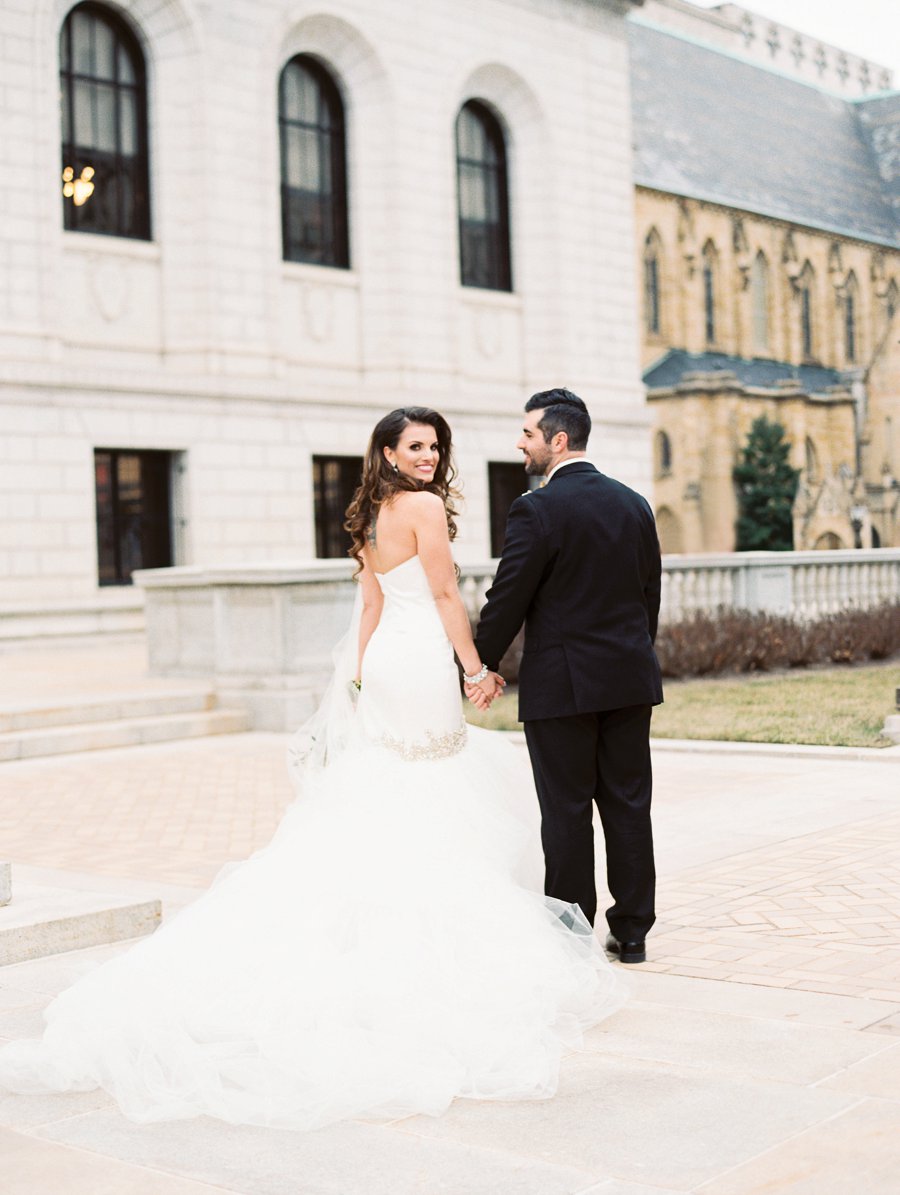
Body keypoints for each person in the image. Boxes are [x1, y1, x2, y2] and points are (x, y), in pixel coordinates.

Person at [0, 406, 623, 1130]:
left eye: (434, 446)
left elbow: (367, 606)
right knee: (432, 781)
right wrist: (476, 666)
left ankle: (372, 910)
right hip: (419, 660)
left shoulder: (369, 514)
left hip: (386, 658)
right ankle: (414, 926)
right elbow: (448, 596)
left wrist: (356, 676)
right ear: (388, 451)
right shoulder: (422, 507)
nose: (427, 456)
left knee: (393, 778)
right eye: (415, 446)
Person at [474, 389, 663, 964]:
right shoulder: (634, 504)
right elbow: (648, 597)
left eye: (528, 434)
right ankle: (632, 933)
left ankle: (575, 934)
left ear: (558, 440)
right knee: (629, 806)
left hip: (563, 687)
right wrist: (632, 656)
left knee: (566, 812)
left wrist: (477, 663)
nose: (520, 443)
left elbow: (508, 600)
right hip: (629, 680)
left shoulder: (537, 508)